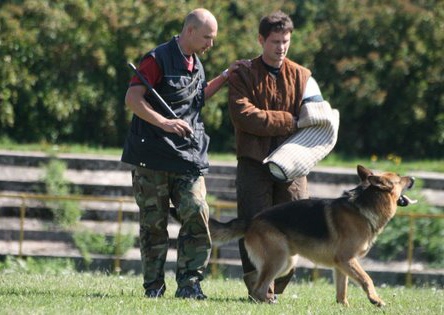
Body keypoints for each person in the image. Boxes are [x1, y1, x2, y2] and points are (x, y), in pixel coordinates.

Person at [121, 8, 247, 299]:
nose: (210, 44)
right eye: (207, 38)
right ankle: (154, 286)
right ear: (189, 31)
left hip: (186, 157)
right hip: (151, 156)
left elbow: (198, 96)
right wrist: (165, 122)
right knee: (153, 226)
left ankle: (190, 284)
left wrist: (226, 76)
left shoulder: (196, 63)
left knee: (197, 213)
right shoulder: (156, 59)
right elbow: (133, 99)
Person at [227, 11, 324, 300]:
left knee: (297, 227)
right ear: (261, 40)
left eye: (286, 41)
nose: (281, 47)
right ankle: (260, 290)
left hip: (293, 165)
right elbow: (243, 115)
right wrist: (288, 120)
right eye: (274, 41)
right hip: (253, 163)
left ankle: (276, 289)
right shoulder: (243, 73)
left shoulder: (303, 76)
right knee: (253, 224)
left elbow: (317, 117)